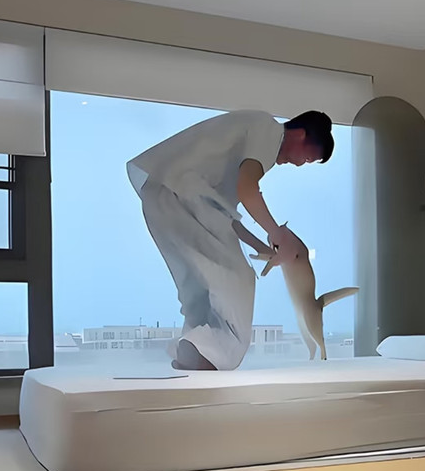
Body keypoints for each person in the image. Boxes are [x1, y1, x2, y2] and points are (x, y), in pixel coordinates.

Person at [126, 109, 334, 370]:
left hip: (169, 194)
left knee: (201, 285)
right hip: (181, 195)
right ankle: (208, 351)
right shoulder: (267, 130)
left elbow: (224, 215)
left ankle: (196, 348)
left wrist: (263, 247)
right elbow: (247, 191)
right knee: (234, 279)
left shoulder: (251, 145)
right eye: (307, 157)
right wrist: (276, 233)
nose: (300, 163)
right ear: (301, 134)